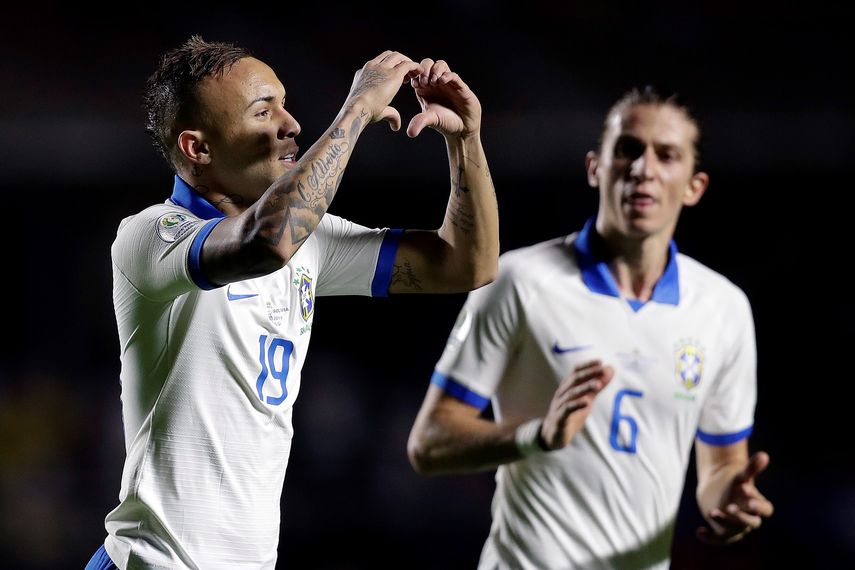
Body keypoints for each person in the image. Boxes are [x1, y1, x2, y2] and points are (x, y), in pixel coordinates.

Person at [86, 36, 498, 570]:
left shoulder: (311, 242)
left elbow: (467, 265)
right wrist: (357, 110)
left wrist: (467, 139)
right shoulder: (152, 236)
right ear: (198, 148)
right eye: (264, 111)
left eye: (284, 103)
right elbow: (269, 241)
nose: (291, 124)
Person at [407, 87, 774, 569]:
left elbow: (721, 465)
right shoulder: (519, 280)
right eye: (628, 149)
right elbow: (429, 443)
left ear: (694, 186)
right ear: (595, 167)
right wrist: (537, 435)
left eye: (667, 155)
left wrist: (730, 500)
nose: (644, 168)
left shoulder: (723, 308)